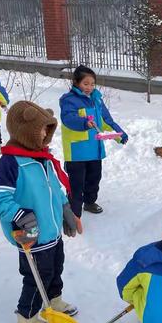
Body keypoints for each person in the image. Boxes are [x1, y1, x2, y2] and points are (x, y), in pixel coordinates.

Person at [0, 101, 80, 323]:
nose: (45, 135)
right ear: (24, 130)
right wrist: (19, 215)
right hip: (29, 233)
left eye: (48, 130)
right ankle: (26, 319)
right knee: (36, 276)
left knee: (55, 267)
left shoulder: (42, 157)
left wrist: (65, 208)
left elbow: (54, 189)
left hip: (51, 230)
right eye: (41, 130)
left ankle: (53, 300)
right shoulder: (11, 162)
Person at [59, 65, 128, 218]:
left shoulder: (96, 99)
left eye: (92, 84)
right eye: (86, 84)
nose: (89, 87)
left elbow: (106, 120)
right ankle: (73, 211)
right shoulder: (69, 101)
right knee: (76, 183)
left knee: (94, 178)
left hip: (94, 150)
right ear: (76, 82)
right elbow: (68, 119)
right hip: (77, 152)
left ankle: (89, 202)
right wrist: (84, 123)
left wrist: (119, 133)